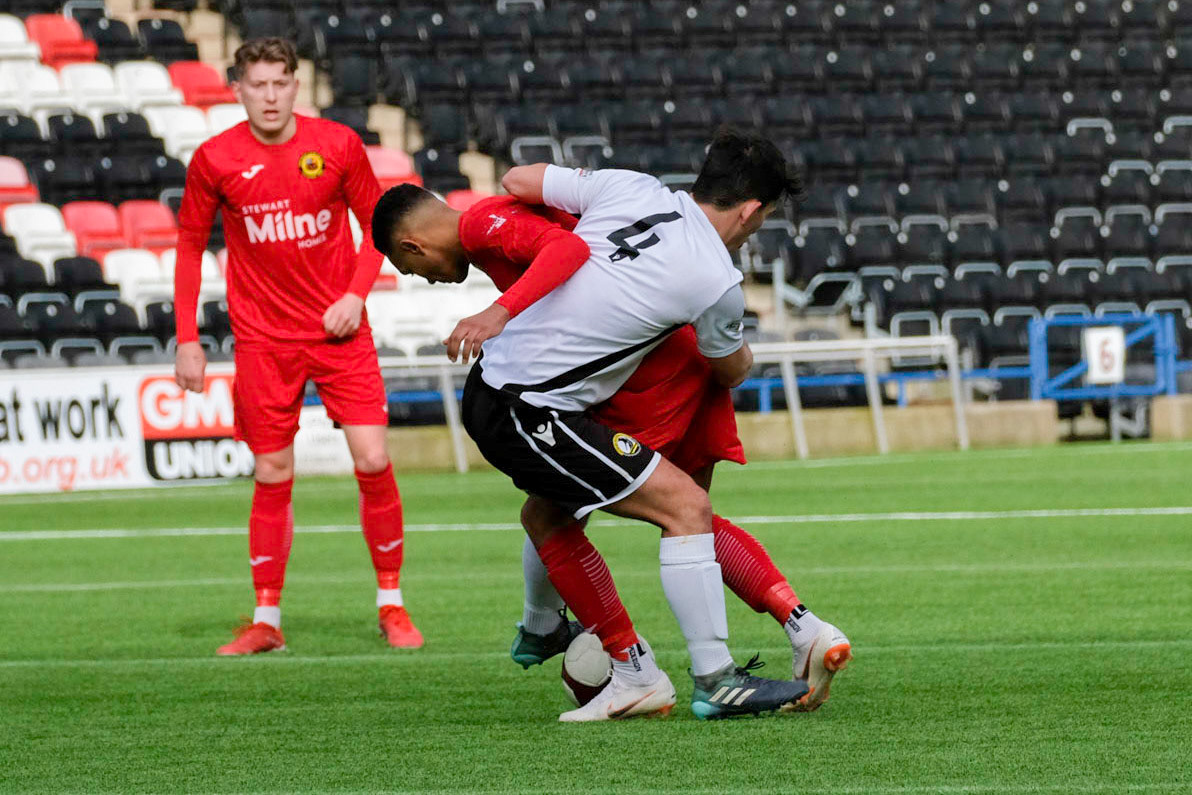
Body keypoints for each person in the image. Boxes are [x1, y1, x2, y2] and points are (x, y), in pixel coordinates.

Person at [372, 179, 851, 713]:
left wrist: (499, 311)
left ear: (412, 245)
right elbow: (540, 198)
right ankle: (801, 627)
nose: (429, 280)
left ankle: (654, 669)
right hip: (672, 363)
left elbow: (562, 243)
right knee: (646, 511)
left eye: (414, 269)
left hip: (626, 381)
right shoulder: (660, 215)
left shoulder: (483, 223)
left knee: (658, 511)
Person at [173, 37, 421, 655]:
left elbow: (381, 227)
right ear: (237, 89)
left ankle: (392, 604)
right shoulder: (214, 158)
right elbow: (187, 247)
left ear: (296, 85)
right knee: (271, 470)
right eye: (257, 84)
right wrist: (187, 339)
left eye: (280, 83)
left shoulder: (336, 145)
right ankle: (267, 620)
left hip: (340, 333)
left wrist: (358, 295)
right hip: (263, 341)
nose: (269, 95)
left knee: (370, 458)